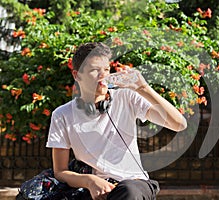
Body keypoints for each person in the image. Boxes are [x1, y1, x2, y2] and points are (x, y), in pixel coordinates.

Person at [46, 42, 187, 200]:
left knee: (128, 192)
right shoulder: (62, 114)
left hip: (133, 185)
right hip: (94, 189)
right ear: (77, 75)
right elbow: (60, 172)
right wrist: (90, 181)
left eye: (106, 70)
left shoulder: (127, 97)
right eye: (94, 70)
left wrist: (144, 89)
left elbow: (179, 124)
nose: (103, 76)